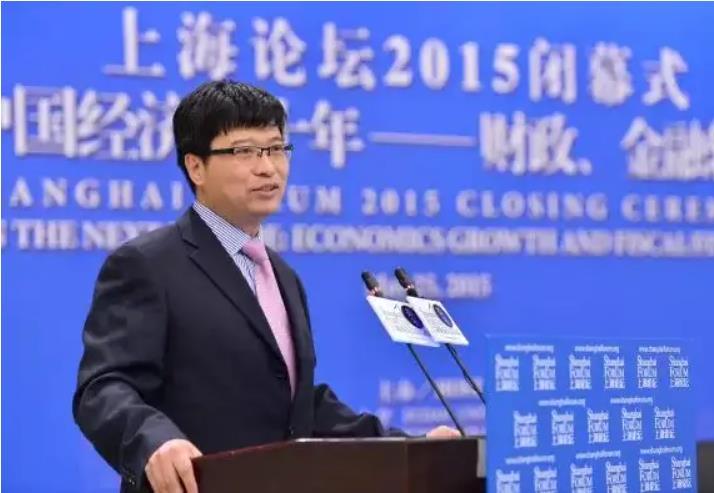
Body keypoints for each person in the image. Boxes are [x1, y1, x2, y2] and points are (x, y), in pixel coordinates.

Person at [73, 80, 459, 493]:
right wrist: (153, 440)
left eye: (276, 149)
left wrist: (408, 448)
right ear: (196, 167)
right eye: (244, 152)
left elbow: (298, 407)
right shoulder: (148, 264)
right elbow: (103, 387)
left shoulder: (282, 275)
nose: (267, 167)